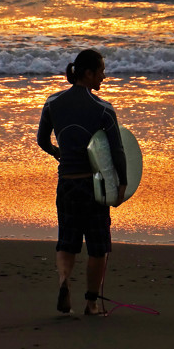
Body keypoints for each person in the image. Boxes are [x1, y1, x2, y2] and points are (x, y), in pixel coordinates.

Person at [36, 48, 127, 316]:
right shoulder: (103, 109)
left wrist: (57, 152)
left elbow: (42, 140)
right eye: (100, 71)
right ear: (88, 73)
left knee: (67, 242)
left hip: (66, 184)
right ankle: (91, 303)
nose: (104, 75)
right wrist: (122, 185)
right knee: (98, 246)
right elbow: (118, 150)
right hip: (93, 187)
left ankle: (64, 282)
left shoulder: (53, 103)